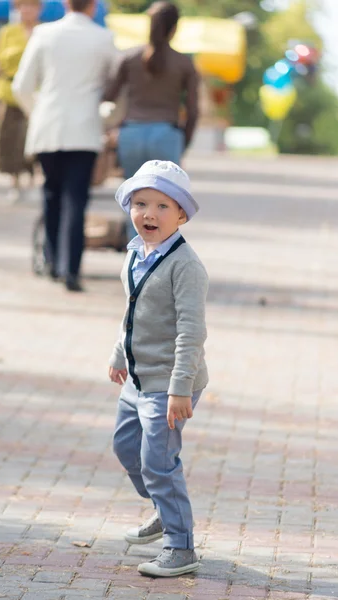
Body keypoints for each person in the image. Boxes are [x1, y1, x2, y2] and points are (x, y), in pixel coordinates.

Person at [109, 160, 209, 577]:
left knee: (158, 461)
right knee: (126, 448)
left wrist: (180, 388)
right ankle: (164, 512)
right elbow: (132, 312)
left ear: (181, 215)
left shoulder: (185, 266)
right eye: (140, 203)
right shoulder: (136, 253)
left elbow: (191, 332)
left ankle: (180, 546)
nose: (148, 214)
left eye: (162, 206)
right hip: (137, 376)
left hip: (169, 383)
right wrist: (119, 354)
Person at [12, 0, 116, 292]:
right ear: (93, 6)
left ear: (65, 4)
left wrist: (38, 112)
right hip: (85, 129)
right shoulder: (104, 38)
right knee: (76, 197)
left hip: (48, 126)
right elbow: (117, 84)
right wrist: (110, 120)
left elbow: (21, 86)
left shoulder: (43, 34)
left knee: (51, 193)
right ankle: (71, 269)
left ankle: (51, 261)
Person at [104, 1, 199, 240]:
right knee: (165, 208)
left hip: (132, 134)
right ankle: (161, 266)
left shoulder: (130, 58)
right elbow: (193, 109)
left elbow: (108, 97)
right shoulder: (184, 64)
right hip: (167, 134)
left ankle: (134, 261)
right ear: (174, 28)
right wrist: (183, 141)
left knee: (136, 204)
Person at [0, 0, 41, 202]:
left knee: (31, 138)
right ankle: (14, 181)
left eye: (31, 6)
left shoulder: (43, 32)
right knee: (9, 138)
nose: (26, 10)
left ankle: (33, 179)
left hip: (34, 94)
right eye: (23, 6)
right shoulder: (7, 32)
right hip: (7, 92)